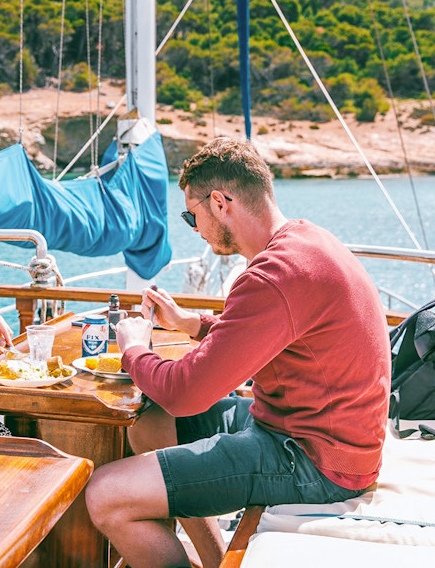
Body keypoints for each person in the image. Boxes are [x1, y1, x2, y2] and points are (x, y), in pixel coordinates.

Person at [85, 137, 391, 568]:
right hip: (320, 436)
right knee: (153, 424)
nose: (194, 227)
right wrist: (194, 325)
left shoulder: (273, 275)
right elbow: (275, 339)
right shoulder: (304, 243)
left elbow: (186, 392)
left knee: (106, 495)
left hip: (313, 460)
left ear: (220, 202)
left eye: (192, 215)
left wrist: (133, 348)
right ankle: (213, 560)